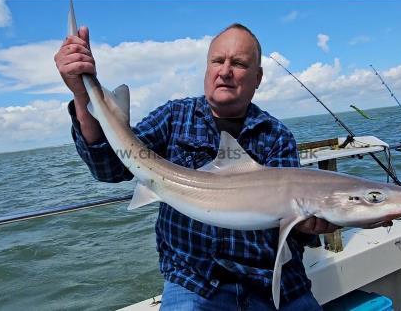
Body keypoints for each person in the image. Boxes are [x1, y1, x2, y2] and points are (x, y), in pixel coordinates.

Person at [55, 23, 339, 310]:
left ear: (258, 77)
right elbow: (109, 169)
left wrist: (307, 227)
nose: (225, 71)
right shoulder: (174, 117)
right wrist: (82, 94)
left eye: (239, 63)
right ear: (207, 68)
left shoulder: (276, 135)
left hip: (271, 282)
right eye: (218, 61)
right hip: (195, 282)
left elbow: (292, 229)